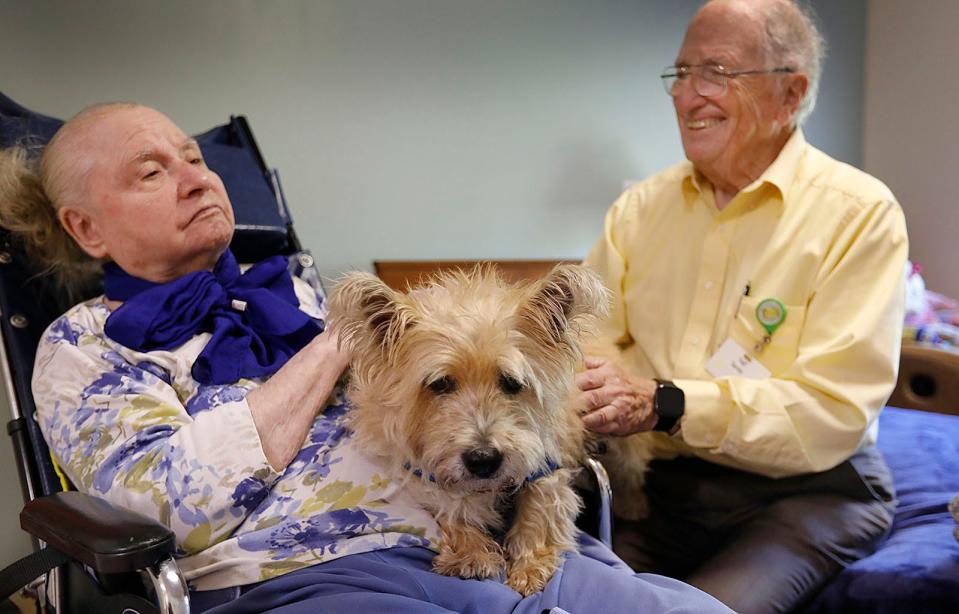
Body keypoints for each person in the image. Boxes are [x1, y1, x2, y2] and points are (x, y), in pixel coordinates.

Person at [0, 102, 732, 613]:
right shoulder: (84, 349)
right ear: (86, 229)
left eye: (194, 157)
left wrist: (543, 394)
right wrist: (332, 348)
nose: (197, 176)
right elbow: (157, 509)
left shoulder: (300, 291)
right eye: (152, 172)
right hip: (307, 577)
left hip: (479, 541)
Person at [576, 0, 907, 612]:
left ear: (790, 93)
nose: (687, 96)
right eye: (680, 74)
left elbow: (830, 410)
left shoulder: (860, 214)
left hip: (805, 492)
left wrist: (664, 400)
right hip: (659, 486)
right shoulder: (638, 211)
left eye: (717, 72)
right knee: (569, 598)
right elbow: (591, 339)